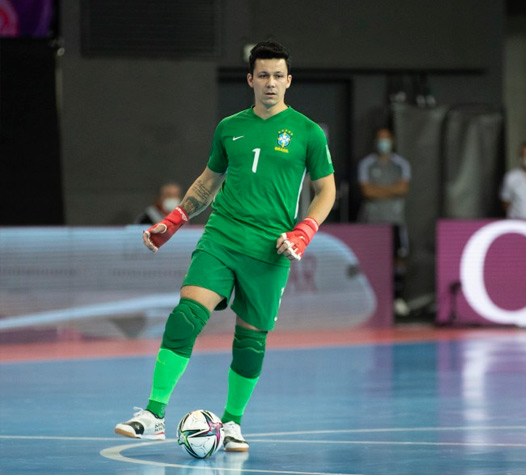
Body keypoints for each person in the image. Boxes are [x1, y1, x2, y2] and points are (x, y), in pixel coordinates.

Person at [114, 41, 336, 452]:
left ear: (289, 80)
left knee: (251, 340)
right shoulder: (228, 126)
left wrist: (304, 230)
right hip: (221, 237)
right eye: (263, 75)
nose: (271, 83)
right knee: (186, 316)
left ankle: (233, 422)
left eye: (278, 75)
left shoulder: (307, 132)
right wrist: (174, 220)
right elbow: (208, 182)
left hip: (271, 248)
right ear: (251, 79)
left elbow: (326, 191)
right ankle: (154, 413)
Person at [358, 127, 411, 314]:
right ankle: (373, 300)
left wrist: (378, 190)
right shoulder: (366, 164)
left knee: (398, 258)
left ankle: (397, 298)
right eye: (380, 139)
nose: (383, 143)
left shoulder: (401, 165)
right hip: (373, 222)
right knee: (372, 259)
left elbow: (402, 189)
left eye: (386, 139)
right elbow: (367, 192)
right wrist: (390, 190)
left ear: (392, 140)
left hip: (395, 220)